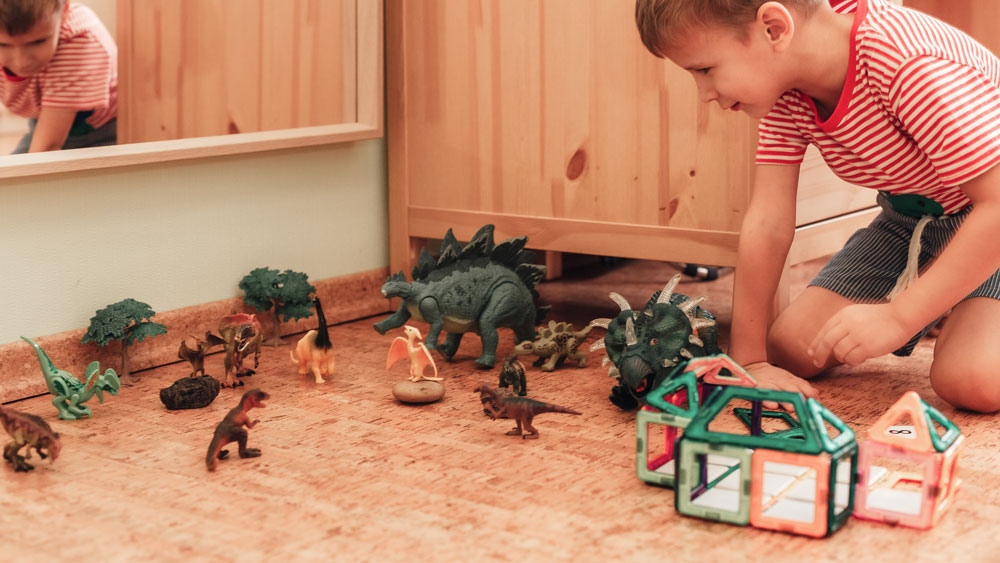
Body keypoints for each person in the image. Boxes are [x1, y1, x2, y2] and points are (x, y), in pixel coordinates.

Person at [635, 0, 1000, 412]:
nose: (703, 94)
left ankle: (950, 305)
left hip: (988, 222)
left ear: (774, 28)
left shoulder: (908, 62)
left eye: (704, 70)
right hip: (910, 220)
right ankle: (949, 300)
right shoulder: (787, 87)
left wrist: (899, 318)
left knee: (973, 381)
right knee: (792, 349)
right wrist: (751, 361)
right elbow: (768, 222)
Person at [0, 0, 116, 153]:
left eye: (38, 42)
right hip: (44, 119)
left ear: (64, 12)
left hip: (102, 132)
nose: (21, 62)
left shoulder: (79, 43)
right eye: (3, 45)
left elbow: (47, 147)